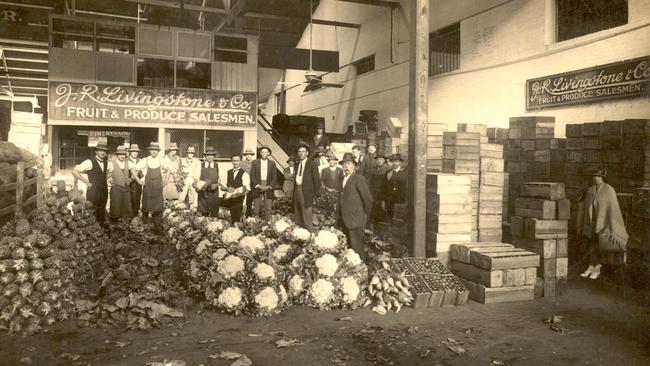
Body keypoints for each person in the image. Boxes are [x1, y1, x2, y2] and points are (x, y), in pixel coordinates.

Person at [576, 168, 629, 280]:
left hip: (604, 224)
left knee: (601, 246)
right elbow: (585, 207)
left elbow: (613, 209)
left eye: (598, 176)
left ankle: (597, 268)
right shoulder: (590, 190)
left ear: (603, 178)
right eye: (594, 176)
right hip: (591, 224)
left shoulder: (609, 190)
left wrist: (610, 226)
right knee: (591, 245)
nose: (596, 178)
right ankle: (590, 266)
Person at [336, 152, 373, 261]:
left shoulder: (359, 179)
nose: (345, 166)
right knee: (348, 249)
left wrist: (365, 217)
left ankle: (362, 270)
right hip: (345, 220)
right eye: (343, 164)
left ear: (354, 166)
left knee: (357, 250)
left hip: (356, 220)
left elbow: (368, 200)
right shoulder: (342, 179)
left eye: (348, 164)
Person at [131, 142, 166, 235]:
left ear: (158, 151)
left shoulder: (161, 160)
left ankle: (157, 229)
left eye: (156, 150)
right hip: (148, 188)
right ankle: (145, 228)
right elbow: (133, 170)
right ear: (150, 151)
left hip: (158, 188)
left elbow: (169, 169)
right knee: (145, 208)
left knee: (158, 209)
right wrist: (139, 181)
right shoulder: (145, 160)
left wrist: (165, 180)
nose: (154, 152)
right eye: (152, 150)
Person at [72, 143, 111, 224]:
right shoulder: (89, 162)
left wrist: (106, 179)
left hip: (104, 190)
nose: (103, 153)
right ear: (96, 151)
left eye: (105, 151)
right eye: (101, 150)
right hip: (93, 191)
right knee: (92, 209)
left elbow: (111, 172)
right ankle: (92, 227)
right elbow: (74, 171)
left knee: (102, 209)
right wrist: (86, 182)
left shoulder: (107, 163)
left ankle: (101, 229)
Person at [293, 143, 321, 231]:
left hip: (306, 191)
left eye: (303, 151)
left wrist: (315, 194)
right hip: (297, 189)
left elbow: (317, 180)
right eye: (299, 152)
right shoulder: (297, 164)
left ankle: (309, 231)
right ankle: (300, 231)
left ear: (307, 153)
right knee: (298, 209)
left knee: (306, 211)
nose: (301, 153)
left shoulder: (312, 164)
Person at [221, 154, 250, 224]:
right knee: (231, 218)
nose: (235, 162)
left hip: (239, 199)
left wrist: (238, 194)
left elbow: (247, 190)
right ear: (231, 161)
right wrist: (227, 188)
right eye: (234, 160)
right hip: (229, 199)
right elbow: (222, 186)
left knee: (236, 218)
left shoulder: (244, 174)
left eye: (237, 160)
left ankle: (237, 230)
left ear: (240, 161)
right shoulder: (228, 172)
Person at [250, 146, 277, 218]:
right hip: (258, 185)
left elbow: (274, 176)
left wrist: (269, 186)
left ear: (268, 153)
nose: (264, 153)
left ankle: (268, 223)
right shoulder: (255, 162)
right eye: (262, 152)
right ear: (260, 153)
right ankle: (255, 223)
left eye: (266, 152)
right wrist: (258, 185)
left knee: (268, 205)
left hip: (268, 185)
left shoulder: (272, 163)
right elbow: (252, 175)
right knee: (256, 205)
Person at [108, 146, 133, 222]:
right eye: (120, 154)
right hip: (116, 188)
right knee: (116, 205)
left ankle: (125, 223)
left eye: (123, 154)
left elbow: (137, 171)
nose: (122, 156)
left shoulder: (128, 163)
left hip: (126, 188)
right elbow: (106, 174)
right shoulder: (111, 163)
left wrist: (131, 179)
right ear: (117, 155)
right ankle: (114, 222)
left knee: (127, 205)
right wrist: (109, 180)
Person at [197, 147, 220, 218]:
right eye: (208, 155)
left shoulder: (217, 166)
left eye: (211, 155)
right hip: (203, 193)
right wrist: (197, 186)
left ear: (214, 156)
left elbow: (221, 180)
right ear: (205, 156)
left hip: (214, 193)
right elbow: (195, 178)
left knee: (214, 213)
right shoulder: (200, 165)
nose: (209, 157)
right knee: (203, 214)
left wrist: (216, 185)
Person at [385, 154, 406, 219]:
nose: (395, 163)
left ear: (400, 162)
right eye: (393, 161)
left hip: (401, 200)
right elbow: (384, 187)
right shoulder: (388, 173)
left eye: (396, 161)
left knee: (399, 218)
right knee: (390, 217)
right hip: (390, 200)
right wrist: (384, 200)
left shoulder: (405, 173)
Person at [369, 154, 389, 225]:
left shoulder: (387, 170)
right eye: (377, 159)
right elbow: (370, 183)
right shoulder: (372, 170)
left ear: (384, 161)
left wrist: (384, 199)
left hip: (382, 196)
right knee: (373, 214)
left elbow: (387, 187)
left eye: (381, 159)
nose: (379, 161)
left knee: (382, 215)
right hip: (373, 195)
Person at [127, 144, 142, 217]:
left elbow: (142, 173)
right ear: (130, 152)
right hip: (130, 184)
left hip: (138, 184)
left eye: (136, 151)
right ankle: (130, 217)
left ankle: (136, 217)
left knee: (137, 200)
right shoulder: (126, 160)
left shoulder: (140, 160)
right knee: (130, 200)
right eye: (133, 151)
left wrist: (141, 175)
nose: (135, 153)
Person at [241, 148, 256, 216]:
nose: (248, 156)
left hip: (252, 184)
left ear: (252, 155)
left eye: (250, 155)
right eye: (247, 155)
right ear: (245, 156)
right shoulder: (242, 163)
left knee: (249, 200)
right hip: (243, 183)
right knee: (242, 199)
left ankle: (248, 214)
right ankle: (241, 214)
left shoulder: (255, 163)